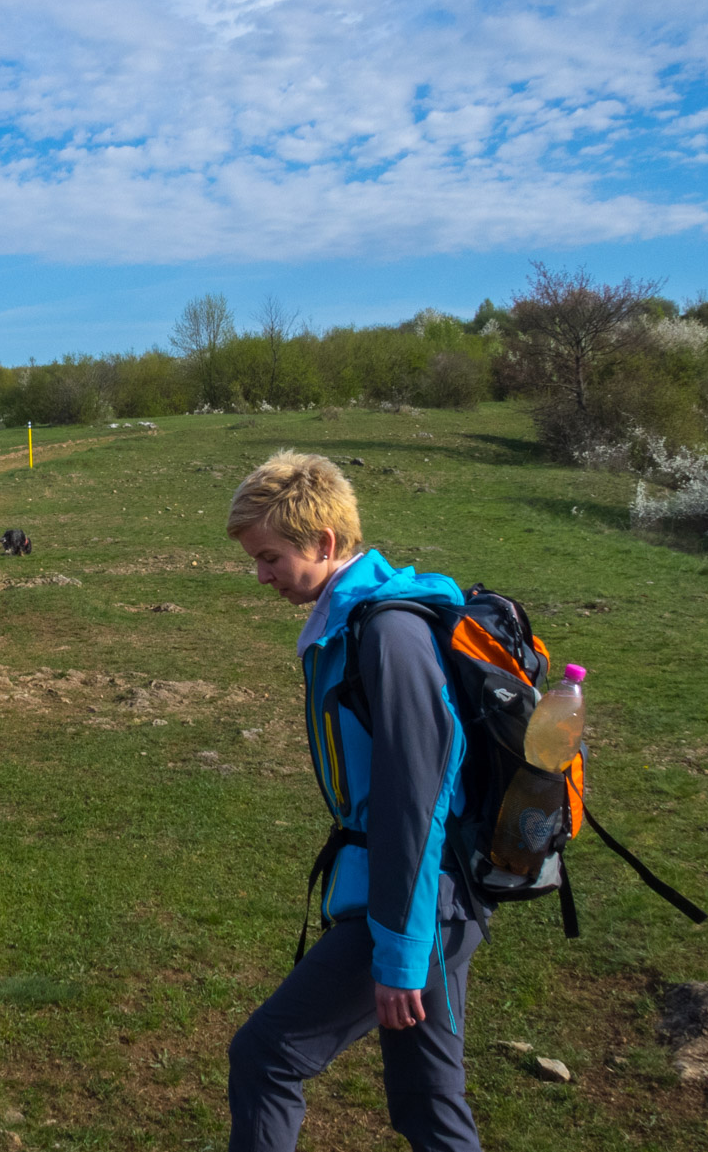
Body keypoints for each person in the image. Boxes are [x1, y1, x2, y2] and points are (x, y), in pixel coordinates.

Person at [224, 451, 483, 1152]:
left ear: (326, 543)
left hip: (418, 902)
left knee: (267, 1055)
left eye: (272, 557)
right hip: (429, 899)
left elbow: (414, 799)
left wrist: (401, 951)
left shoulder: (388, 633)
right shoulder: (351, 623)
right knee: (429, 1105)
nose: (262, 575)